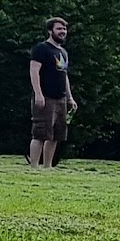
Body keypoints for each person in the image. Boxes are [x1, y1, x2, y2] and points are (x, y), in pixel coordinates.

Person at [27, 16, 76, 167]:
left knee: (55, 136)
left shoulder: (63, 52)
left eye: (64, 29)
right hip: (45, 98)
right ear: (50, 31)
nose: (63, 32)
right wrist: (39, 94)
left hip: (60, 99)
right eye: (59, 29)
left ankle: (47, 167)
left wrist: (70, 98)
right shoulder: (41, 49)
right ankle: (34, 167)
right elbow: (34, 71)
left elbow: (64, 76)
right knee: (40, 134)